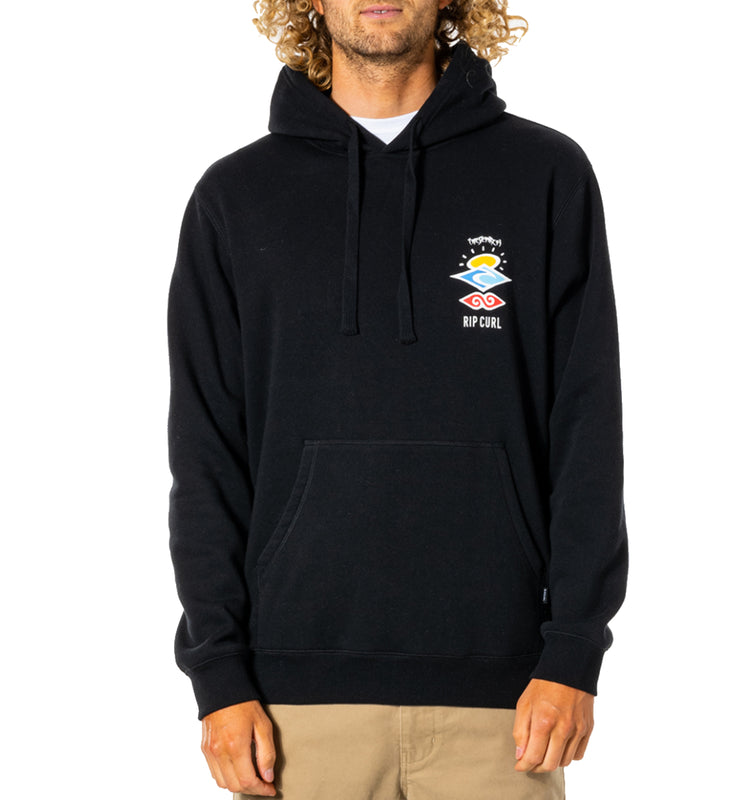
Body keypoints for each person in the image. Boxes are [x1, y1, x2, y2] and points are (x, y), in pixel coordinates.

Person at [167, 1, 628, 797]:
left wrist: (575, 649)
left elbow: (587, 428)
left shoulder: (546, 175)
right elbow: (206, 456)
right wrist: (218, 674)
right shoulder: (235, 198)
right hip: (290, 710)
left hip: (509, 706)